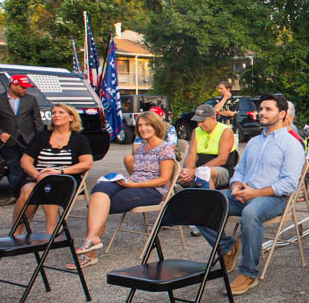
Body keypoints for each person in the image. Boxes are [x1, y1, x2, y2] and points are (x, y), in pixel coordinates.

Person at [195, 94, 305, 295]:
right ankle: (228, 247)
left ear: (282, 114)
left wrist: (254, 193)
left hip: (272, 198)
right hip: (243, 192)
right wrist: (236, 185)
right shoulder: (254, 142)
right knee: (201, 204)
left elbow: (288, 184)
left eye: (268, 109)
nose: (261, 112)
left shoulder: (291, 144)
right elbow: (240, 170)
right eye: (261, 108)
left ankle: (248, 273)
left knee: (251, 213)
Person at [71, 111, 177, 270]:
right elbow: (137, 173)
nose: (143, 128)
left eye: (147, 124)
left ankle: (89, 252)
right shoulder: (140, 148)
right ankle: (92, 239)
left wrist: (133, 185)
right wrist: (126, 181)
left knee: (98, 204)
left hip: (153, 191)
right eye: (140, 125)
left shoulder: (165, 148)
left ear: (156, 126)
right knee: (100, 188)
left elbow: (164, 180)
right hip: (133, 183)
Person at [12, 104, 93, 234]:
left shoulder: (79, 139)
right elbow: (25, 161)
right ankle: (15, 232)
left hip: (65, 178)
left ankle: (51, 230)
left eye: (61, 112)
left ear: (71, 117)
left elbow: (87, 163)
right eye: (54, 113)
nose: (56, 115)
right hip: (36, 176)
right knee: (27, 193)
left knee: (48, 183)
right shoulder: (42, 136)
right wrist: (38, 175)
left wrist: (59, 172)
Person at [0, 74, 44, 206]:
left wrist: (40, 139)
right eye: (23, 87)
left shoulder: (31, 99)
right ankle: (15, 195)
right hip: (8, 141)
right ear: (13, 85)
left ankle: (36, 194)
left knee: (32, 167)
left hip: (28, 140)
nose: (25, 90)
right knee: (13, 168)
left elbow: (37, 121)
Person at [177, 104, 237, 190]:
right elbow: (191, 155)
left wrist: (194, 172)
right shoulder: (196, 131)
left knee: (203, 174)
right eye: (197, 121)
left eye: (202, 121)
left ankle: (210, 200)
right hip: (199, 168)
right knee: (176, 175)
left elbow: (222, 160)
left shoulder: (225, 131)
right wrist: (187, 172)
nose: (199, 124)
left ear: (213, 118)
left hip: (221, 170)